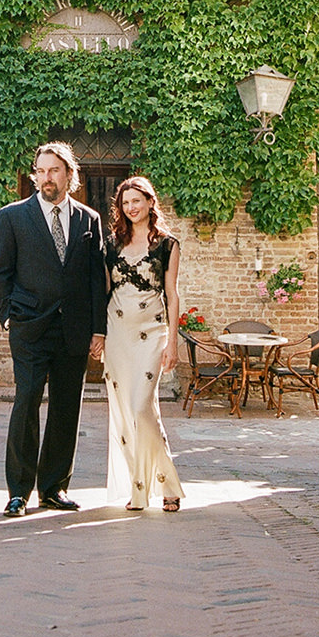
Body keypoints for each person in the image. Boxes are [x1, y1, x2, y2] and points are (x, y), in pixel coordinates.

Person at [0, 142, 107, 517]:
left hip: (73, 329)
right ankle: (19, 491)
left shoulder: (89, 219)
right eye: (39, 171)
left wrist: (98, 330)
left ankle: (55, 487)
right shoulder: (12, 217)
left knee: (65, 407)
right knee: (26, 401)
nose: (45, 178)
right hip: (30, 327)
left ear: (69, 175)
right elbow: (1, 274)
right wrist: (8, 313)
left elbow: (94, 279)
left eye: (53, 171)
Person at [103, 175, 184, 513]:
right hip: (117, 334)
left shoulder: (168, 244)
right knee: (126, 412)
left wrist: (173, 344)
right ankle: (149, 489)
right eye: (125, 203)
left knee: (141, 406)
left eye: (137, 201)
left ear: (151, 202)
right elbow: (104, 291)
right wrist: (97, 334)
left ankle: (165, 484)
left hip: (152, 333)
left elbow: (172, 294)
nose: (131, 207)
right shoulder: (111, 244)